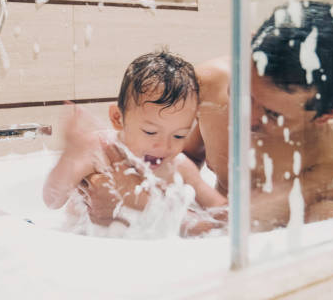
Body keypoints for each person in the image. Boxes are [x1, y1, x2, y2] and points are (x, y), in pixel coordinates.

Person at [83, 1, 333, 232]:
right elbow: (179, 160)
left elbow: (236, 225)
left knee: (331, 217)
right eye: (242, 94)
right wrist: (114, 182)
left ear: (324, 117)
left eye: (274, 114)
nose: (247, 118)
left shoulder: (326, 163)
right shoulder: (208, 84)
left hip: (253, 241)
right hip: (201, 226)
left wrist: (134, 203)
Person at [42, 50, 227, 231]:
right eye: (150, 132)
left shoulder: (179, 167)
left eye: (179, 135)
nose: (165, 146)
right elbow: (52, 201)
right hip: (86, 241)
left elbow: (222, 211)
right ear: (117, 118)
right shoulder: (98, 151)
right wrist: (69, 158)